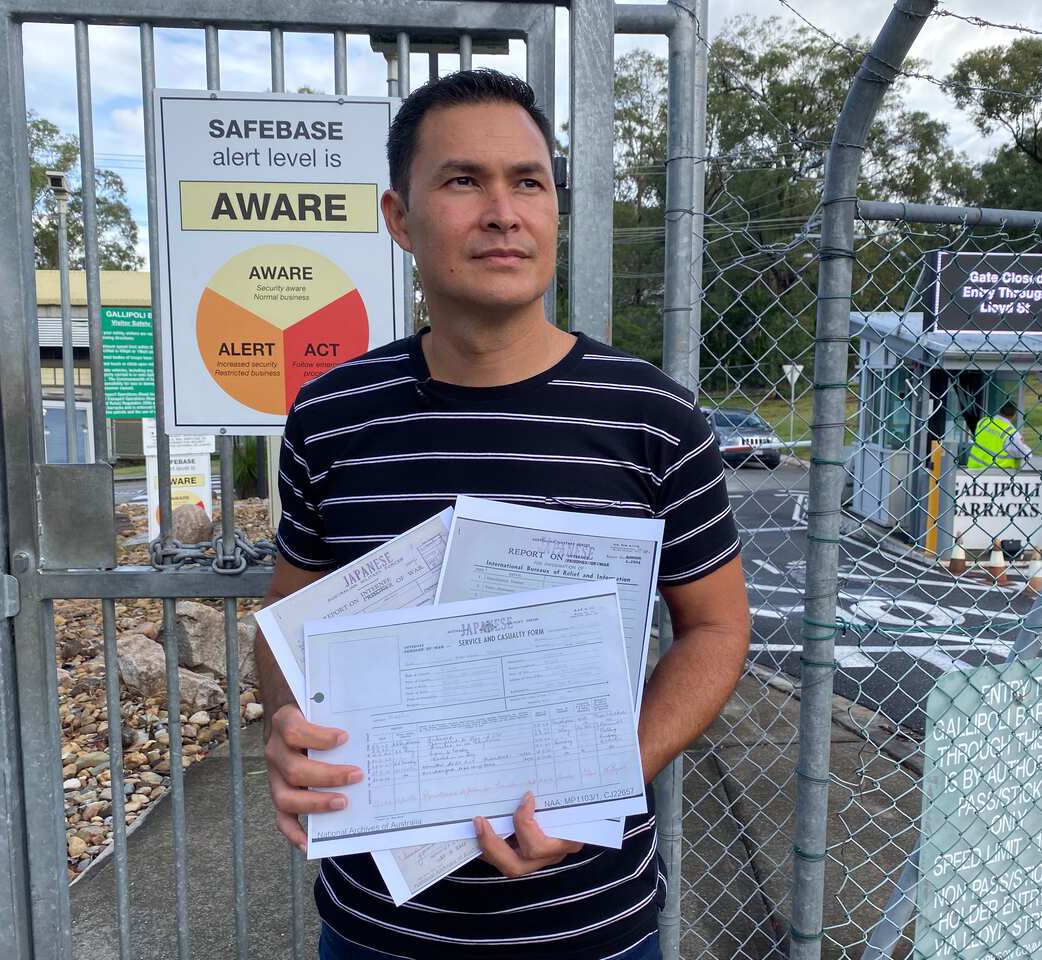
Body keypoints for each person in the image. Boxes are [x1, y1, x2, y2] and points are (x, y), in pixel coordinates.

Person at [255, 69, 751, 960]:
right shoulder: (331, 416)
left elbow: (715, 629)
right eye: (461, 181)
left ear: (556, 209)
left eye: (529, 181)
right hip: (379, 928)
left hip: (591, 927)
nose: (502, 210)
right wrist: (287, 727)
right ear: (400, 219)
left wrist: (605, 776)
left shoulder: (653, 418)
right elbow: (289, 630)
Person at [966, 400, 1032, 470]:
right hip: (996, 475)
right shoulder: (1011, 433)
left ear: (1000, 410)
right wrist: (1023, 444)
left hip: (973, 468)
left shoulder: (983, 421)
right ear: (1015, 415)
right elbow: (1025, 453)